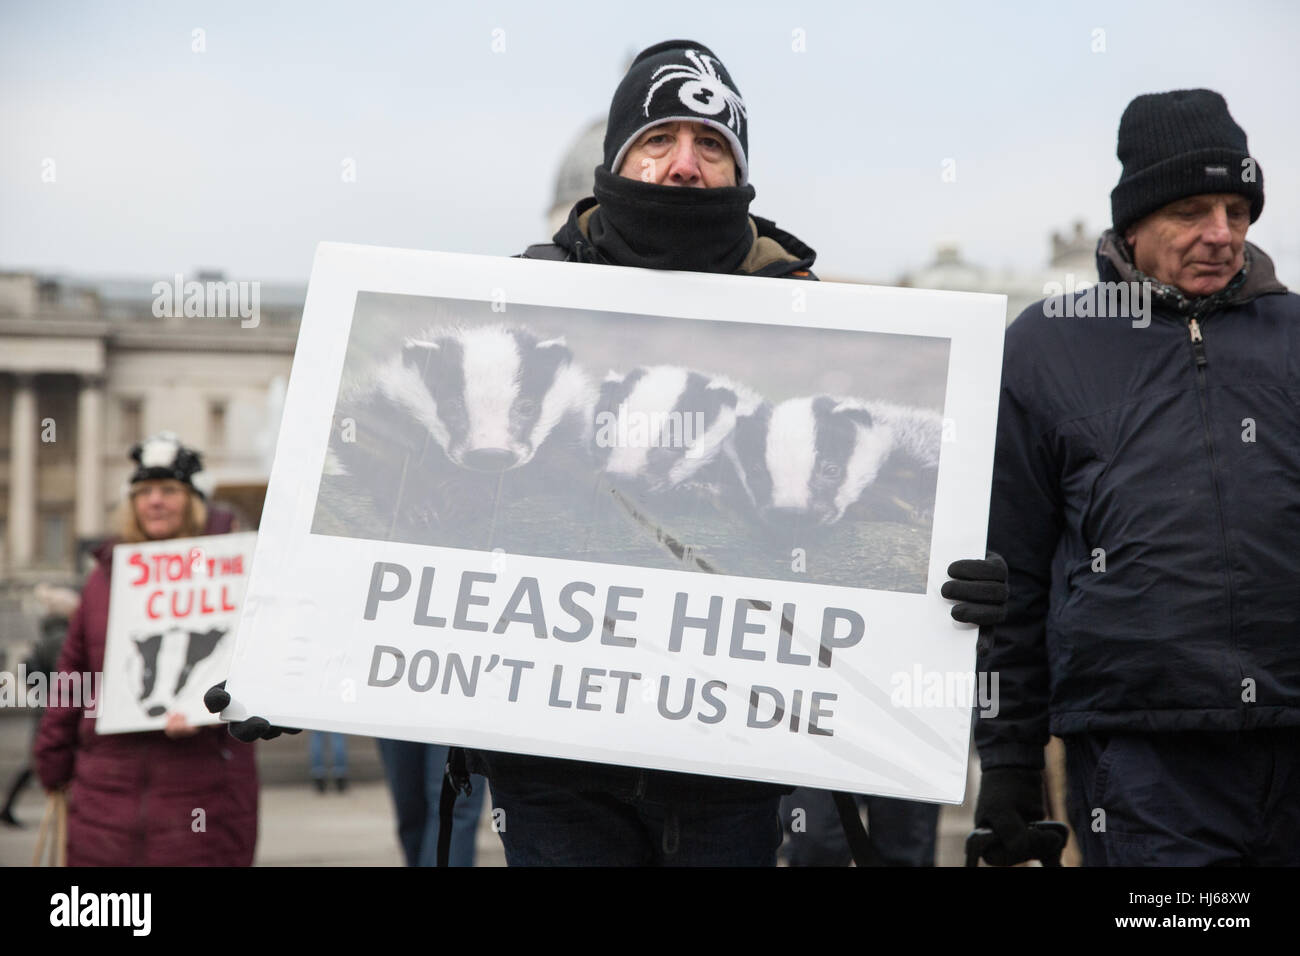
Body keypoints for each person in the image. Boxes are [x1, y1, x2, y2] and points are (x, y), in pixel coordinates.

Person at [211, 39, 1008, 867]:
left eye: (711, 145)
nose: (683, 165)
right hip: (551, 772)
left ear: (739, 173)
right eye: (658, 140)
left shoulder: (810, 310)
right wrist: (285, 655)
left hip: (736, 768)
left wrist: (954, 582)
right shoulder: (513, 304)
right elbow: (391, 509)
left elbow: (870, 529)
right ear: (618, 160)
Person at [973, 89, 1300, 866]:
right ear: (1133, 221)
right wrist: (1010, 759)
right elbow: (1007, 575)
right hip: (1143, 767)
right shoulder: (1046, 349)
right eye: (1191, 209)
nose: (1220, 235)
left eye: (1237, 209)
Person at [34, 433, 260, 866]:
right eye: (144, 492)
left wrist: (209, 715)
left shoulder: (236, 575)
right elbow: (72, 679)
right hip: (105, 800)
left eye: (169, 490)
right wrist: (52, 759)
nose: (155, 501)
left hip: (201, 795)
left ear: (194, 500)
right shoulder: (105, 580)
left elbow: (261, 675)